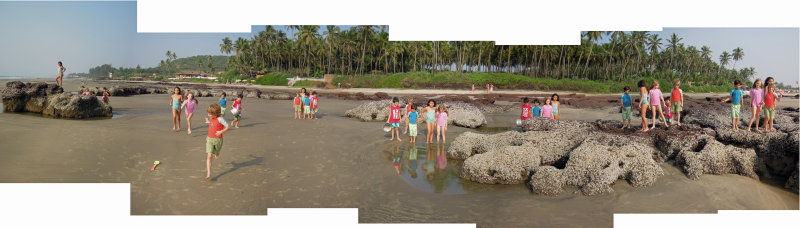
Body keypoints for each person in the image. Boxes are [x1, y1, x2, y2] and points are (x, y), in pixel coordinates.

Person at [204, 103, 231, 180]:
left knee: (216, 153)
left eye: (210, 114)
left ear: (215, 113)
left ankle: (217, 152)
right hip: (209, 139)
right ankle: (208, 173)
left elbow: (228, 126)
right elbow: (213, 123)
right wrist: (208, 122)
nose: (208, 115)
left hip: (218, 140)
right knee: (209, 156)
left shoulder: (220, 119)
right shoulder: (212, 118)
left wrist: (221, 132)